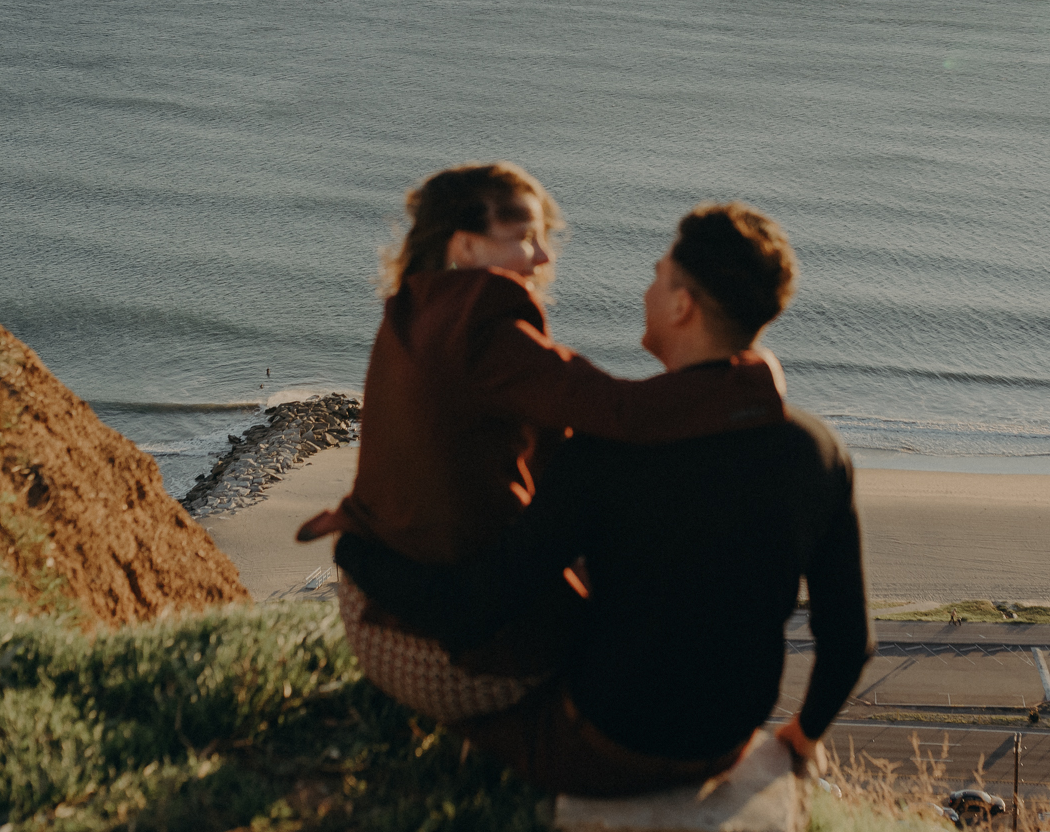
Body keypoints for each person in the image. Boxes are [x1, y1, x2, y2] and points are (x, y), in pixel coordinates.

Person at [336, 201, 873, 797]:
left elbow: (480, 606)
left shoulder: (607, 452)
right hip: (725, 739)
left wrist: (362, 558)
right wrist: (801, 737)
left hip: (604, 745)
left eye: (656, 275)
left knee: (467, 714)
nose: (646, 289)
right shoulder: (818, 450)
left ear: (681, 305)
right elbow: (850, 641)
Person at [297, 163, 788, 726]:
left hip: (375, 616)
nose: (542, 258)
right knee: (656, 642)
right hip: (451, 656)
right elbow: (620, 410)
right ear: (467, 246)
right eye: (524, 239)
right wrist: (750, 381)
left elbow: (553, 437)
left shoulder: (416, 306)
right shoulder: (485, 320)